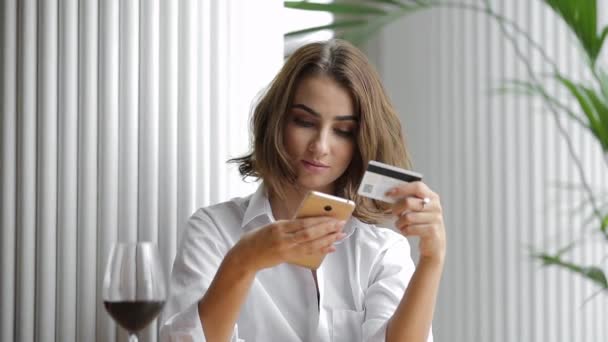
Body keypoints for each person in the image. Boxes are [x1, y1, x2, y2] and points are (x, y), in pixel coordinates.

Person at [160, 39, 446, 342]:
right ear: (277, 121)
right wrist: (244, 260)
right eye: (305, 122)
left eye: (342, 131)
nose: (320, 146)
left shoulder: (380, 250)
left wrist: (432, 259)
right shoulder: (213, 231)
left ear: (360, 141)